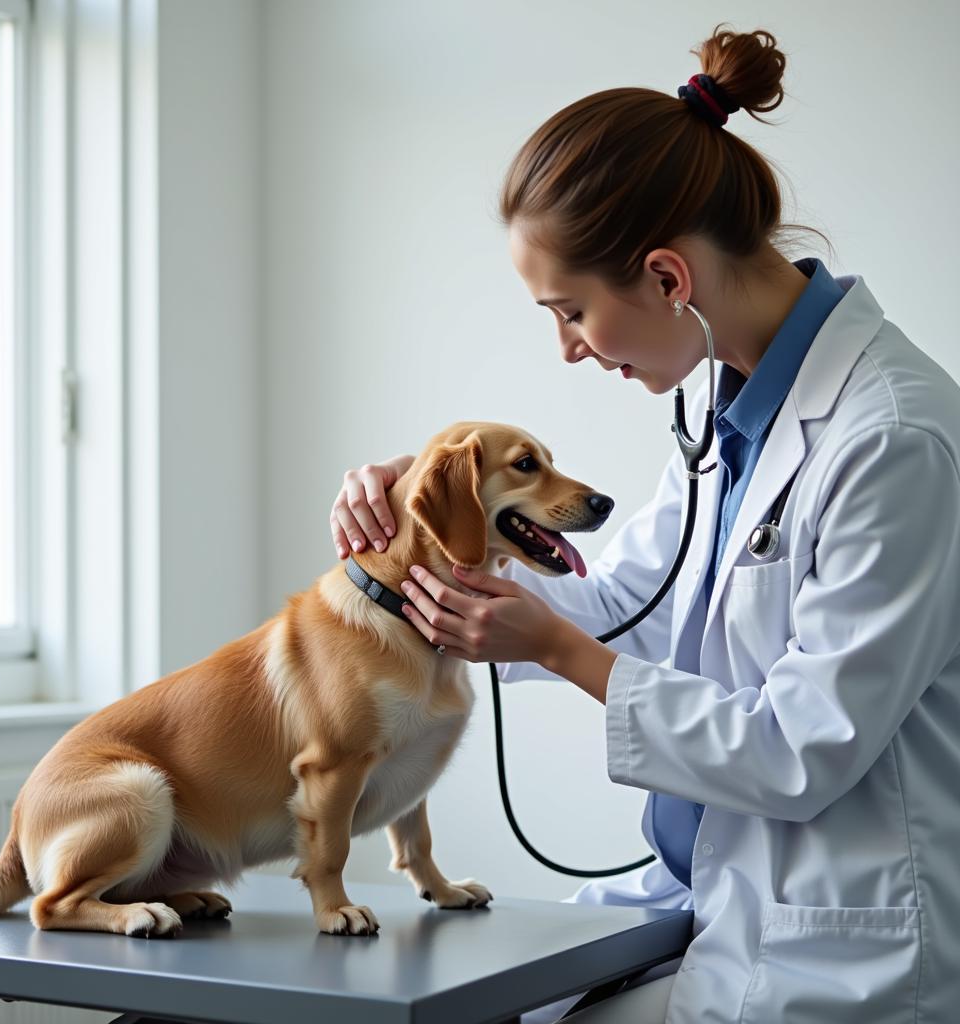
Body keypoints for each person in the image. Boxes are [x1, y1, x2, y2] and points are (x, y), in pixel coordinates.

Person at [329, 23, 960, 1024]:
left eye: (568, 311)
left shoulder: (891, 438)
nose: (570, 350)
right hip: (700, 908)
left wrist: (564, 652)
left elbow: (801, 748)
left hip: (837, 956)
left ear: (667, 278)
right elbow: (632, 604)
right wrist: (429, 531)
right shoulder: (732, 412)